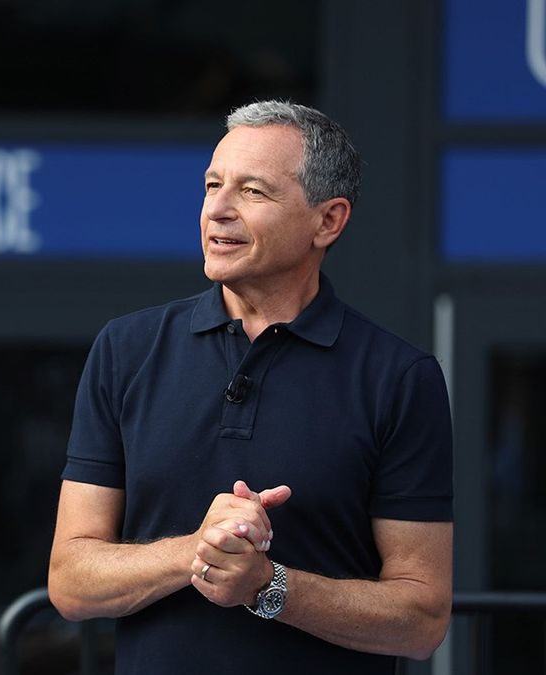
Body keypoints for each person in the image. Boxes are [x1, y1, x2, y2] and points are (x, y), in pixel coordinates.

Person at [48, 100, 453, 673]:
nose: (217, 210)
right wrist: (196, 551)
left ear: (328, 221)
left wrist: (269, 586)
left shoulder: (398, 377)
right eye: (213, 186)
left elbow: (422, 619)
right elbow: (70, 582)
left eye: (253, 192)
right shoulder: (126, 349)